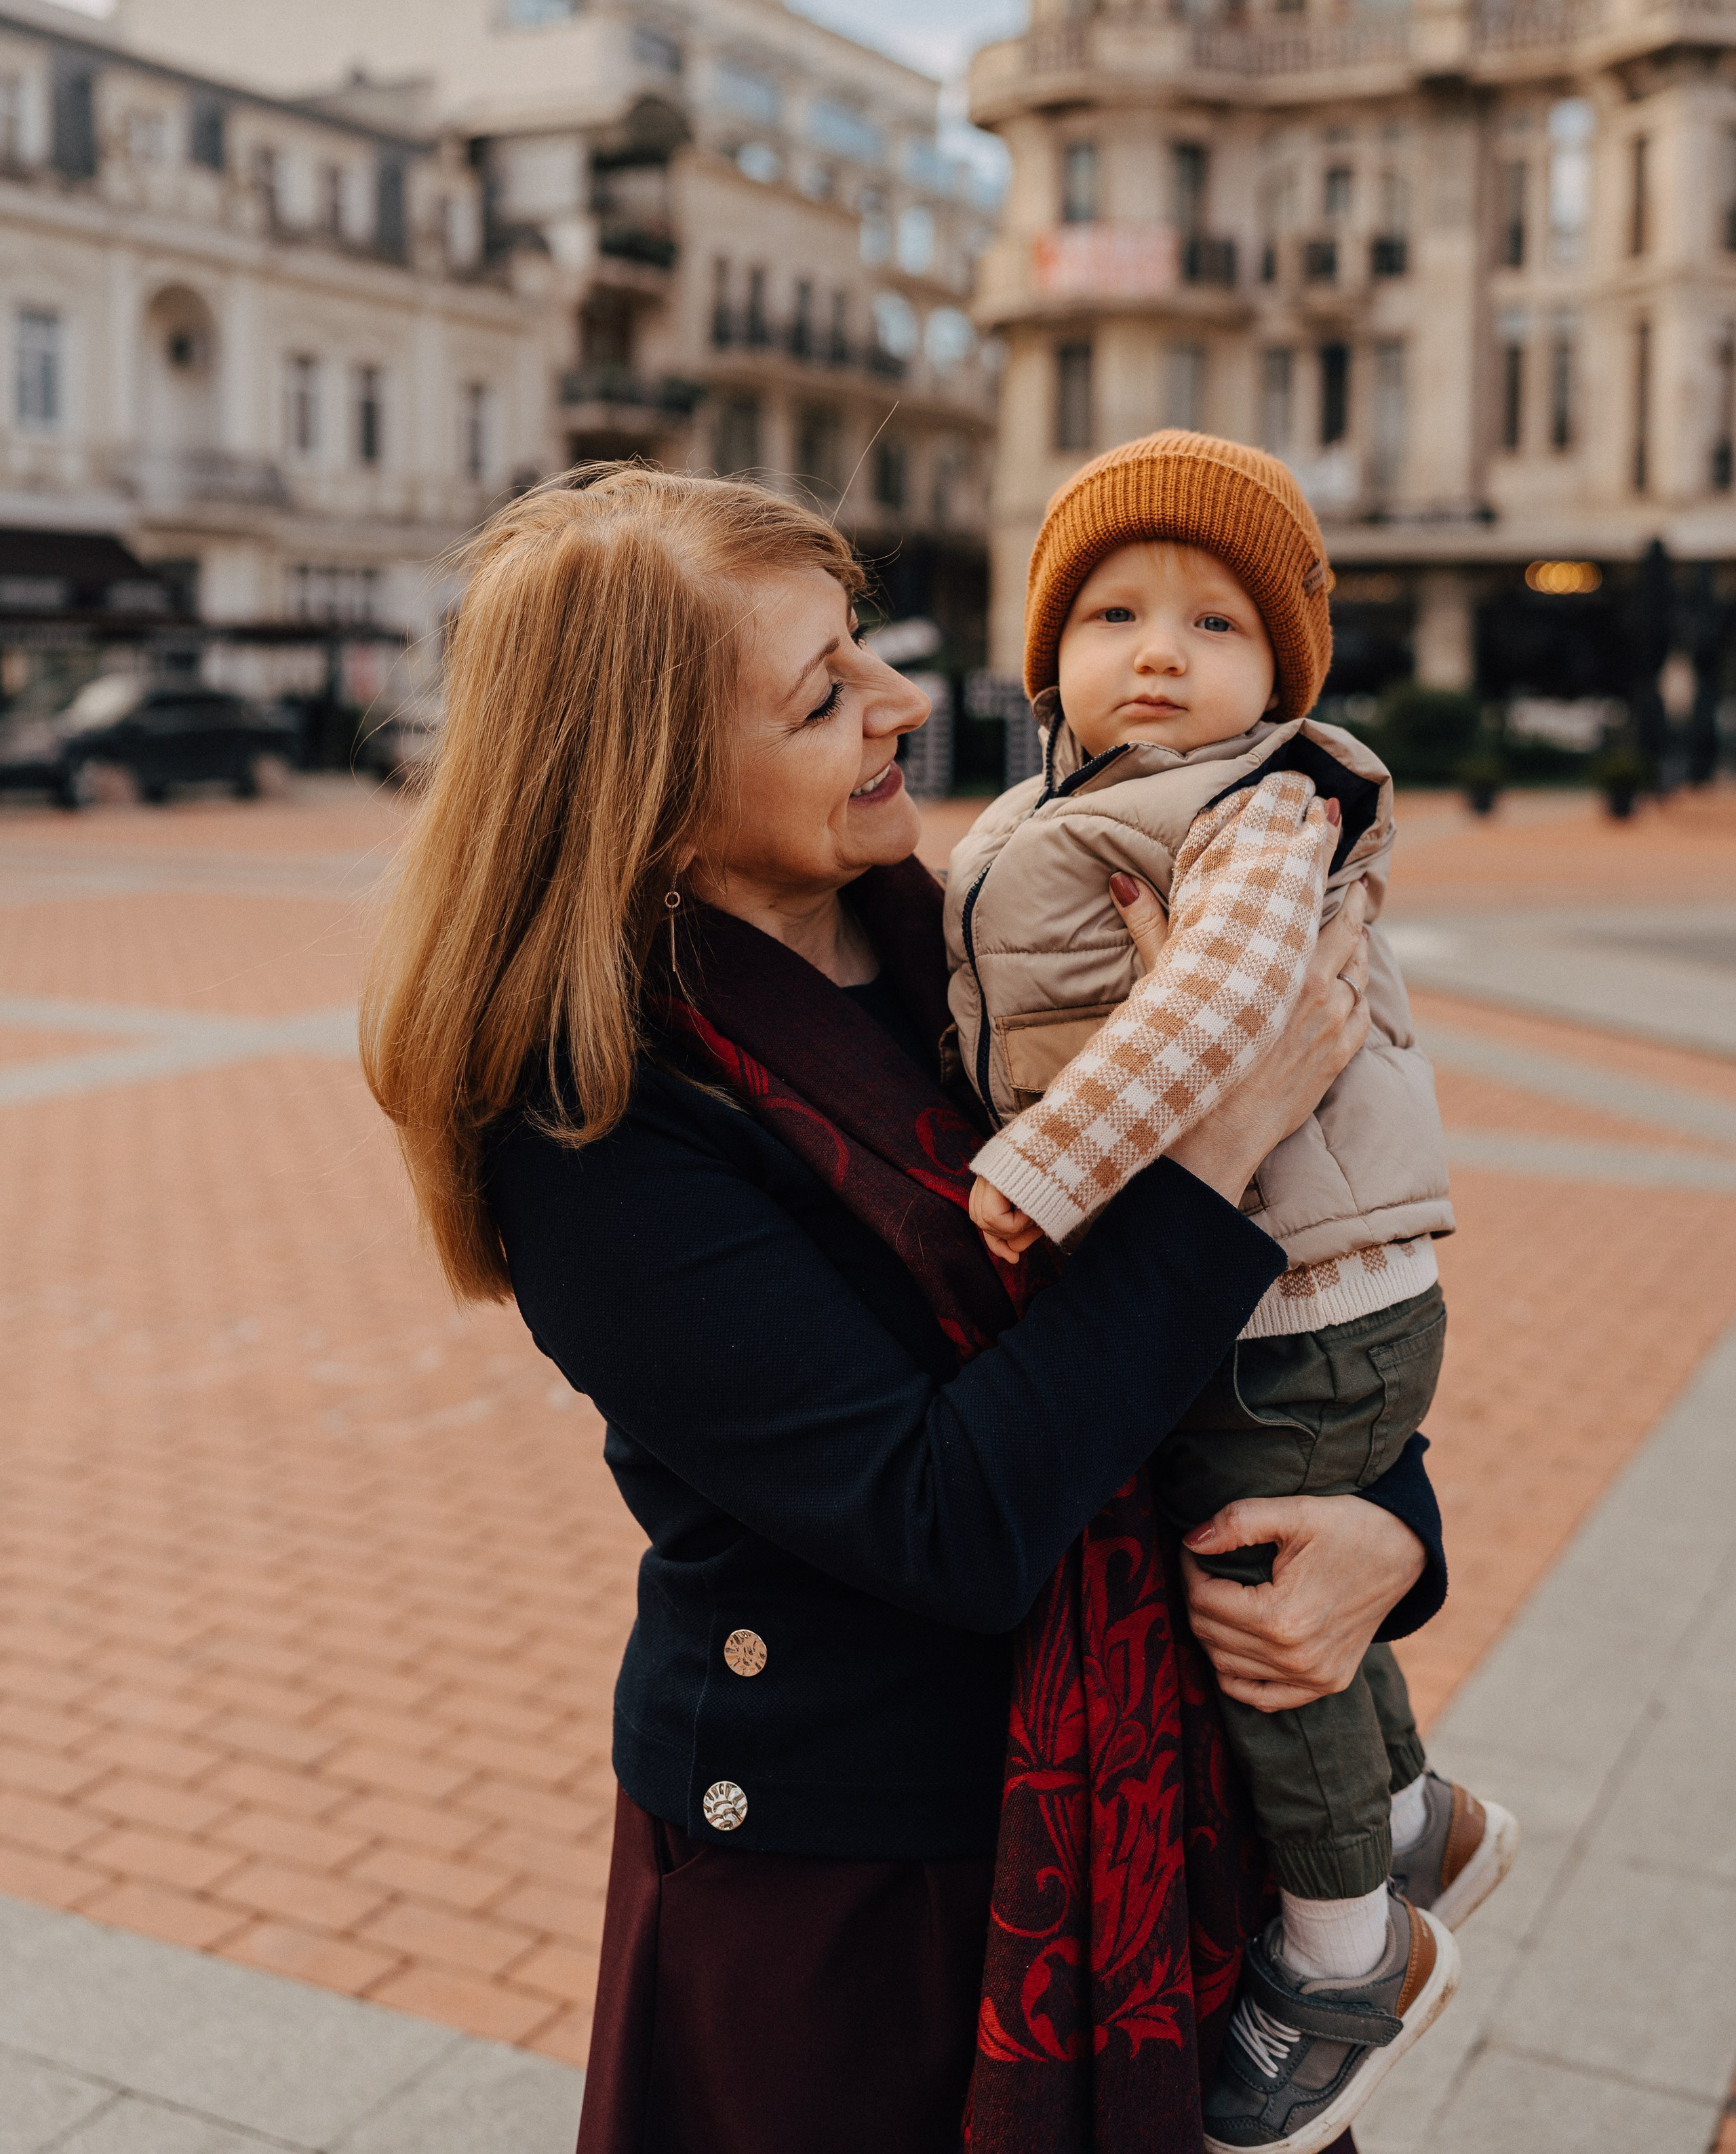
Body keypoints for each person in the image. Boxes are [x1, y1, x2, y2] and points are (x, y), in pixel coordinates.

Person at [361, 464, 1449, 2154]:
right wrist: (1209, 1142)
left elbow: (1294, 1304)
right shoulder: (590, 1124)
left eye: (860, 643)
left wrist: (1387, 1531)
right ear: (652, 786)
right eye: (820, 696)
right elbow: (948, 1520)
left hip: (1150, 1807)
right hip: (855, 1889)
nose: (901, 701)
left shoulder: (962, 943)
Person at [948, 432, 1519, 2154]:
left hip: (1306, 1311)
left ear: (1280, 674)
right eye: (1110, 614)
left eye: (1214, 624)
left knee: (1261, 1619)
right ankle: (1410, 1822)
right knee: (1279, 1574)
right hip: (1265, 1297)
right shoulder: (1042, 814)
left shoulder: (1257, 800)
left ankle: (1344, 1957)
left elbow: (1227, 1001)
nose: (1157, 654)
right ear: (1044, 654)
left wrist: (1045, 1173)